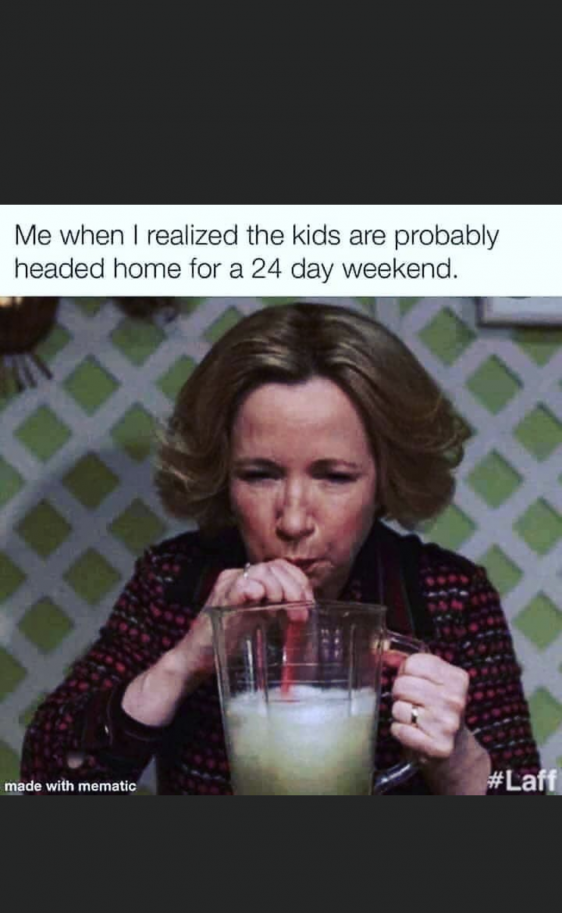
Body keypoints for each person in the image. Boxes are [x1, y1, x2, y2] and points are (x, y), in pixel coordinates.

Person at [21, 302, 542, 794]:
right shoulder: (173, 584)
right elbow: (47, 784)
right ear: (223, 475)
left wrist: (458, 760)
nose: (293, 521)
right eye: (260, 475)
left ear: (385, 480)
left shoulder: (449, 597)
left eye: (334, 477)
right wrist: (181, 666)